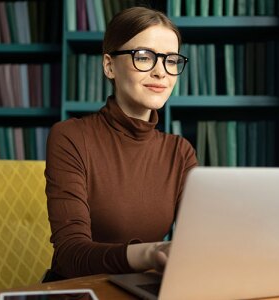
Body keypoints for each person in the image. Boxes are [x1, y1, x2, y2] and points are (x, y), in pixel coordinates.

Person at [44, 6, 198, 281]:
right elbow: (69, 255)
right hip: (81, 292)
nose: (161, 73)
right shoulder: (70, 137)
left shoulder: (180, 152)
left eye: (171, 60)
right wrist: (151, 254)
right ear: (109, 66)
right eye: (144, 57)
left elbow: (202, 241)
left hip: (143, 289)